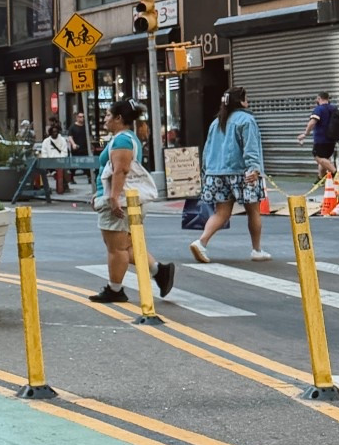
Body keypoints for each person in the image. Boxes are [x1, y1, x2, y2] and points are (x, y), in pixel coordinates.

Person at [89, 98, 174, 304]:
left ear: (119, 118)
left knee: (115, 248)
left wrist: (113, 197)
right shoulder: (127, 138)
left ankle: (115, 289)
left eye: (108, 115)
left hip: (122, 202)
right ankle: (159, 271)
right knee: (127, 246)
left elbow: (121, 170)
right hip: (127, 200)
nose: (105, 119)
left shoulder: (122, 141)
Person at [191, 86, 269, 263]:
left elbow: (207, 149)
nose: (247, 100)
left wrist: (205, 171)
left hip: (216, 173)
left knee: (221, 213)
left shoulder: (216, 122)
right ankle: (256, 249)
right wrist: (254, 169)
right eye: (245, 97)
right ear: (240, 101)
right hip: (242, 173)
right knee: (253, 212)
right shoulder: (247, 120)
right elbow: (251, 147)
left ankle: (201, 242)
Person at [296, 91, 339, 182]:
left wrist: (305, 134)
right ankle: (320, 178)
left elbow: (312, 123)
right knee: (325, 159)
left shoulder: (319, 109)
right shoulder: (334, 109)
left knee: (318, 157)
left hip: (321, 139)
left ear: (319, 98)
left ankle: (336, 174)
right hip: (332, 139)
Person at [37, 118, 71, 195]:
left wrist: (59, 159)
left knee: (61, 171)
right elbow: (44, 152)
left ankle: (62, 186)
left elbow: (64, 152)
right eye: (53, 132)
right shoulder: (46, 141)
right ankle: (45, 187)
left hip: (59, 162)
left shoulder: (62, 140)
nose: (54, 133)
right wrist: (48, 160)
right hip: (49, 162)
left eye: (56, 132)